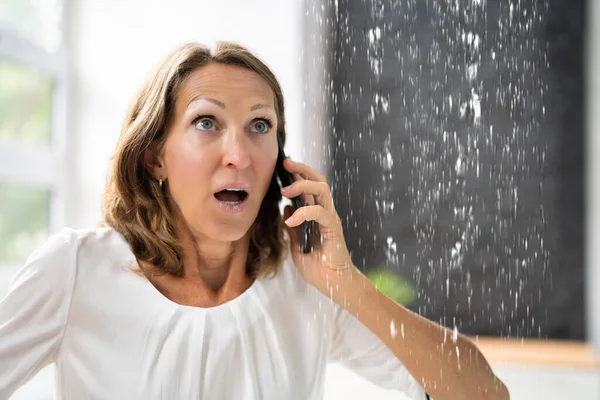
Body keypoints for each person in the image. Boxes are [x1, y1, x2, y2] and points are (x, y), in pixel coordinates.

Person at [0, 41, 509, 400]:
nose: (239, 154)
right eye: (207, 122)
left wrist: (346, 284)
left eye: (260, 126)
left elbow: (487, 396)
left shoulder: (306, 287)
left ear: (281, 161)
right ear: (154, 156)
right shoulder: (75, 270)